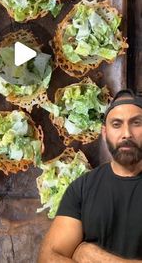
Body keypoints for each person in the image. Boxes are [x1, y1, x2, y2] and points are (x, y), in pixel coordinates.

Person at [37, 89, 142, 263]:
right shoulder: (82, 188)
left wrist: (96, 257)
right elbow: (48, 258)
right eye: (116, 124)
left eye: (136, 123)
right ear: (104, 132)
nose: (126, 134)